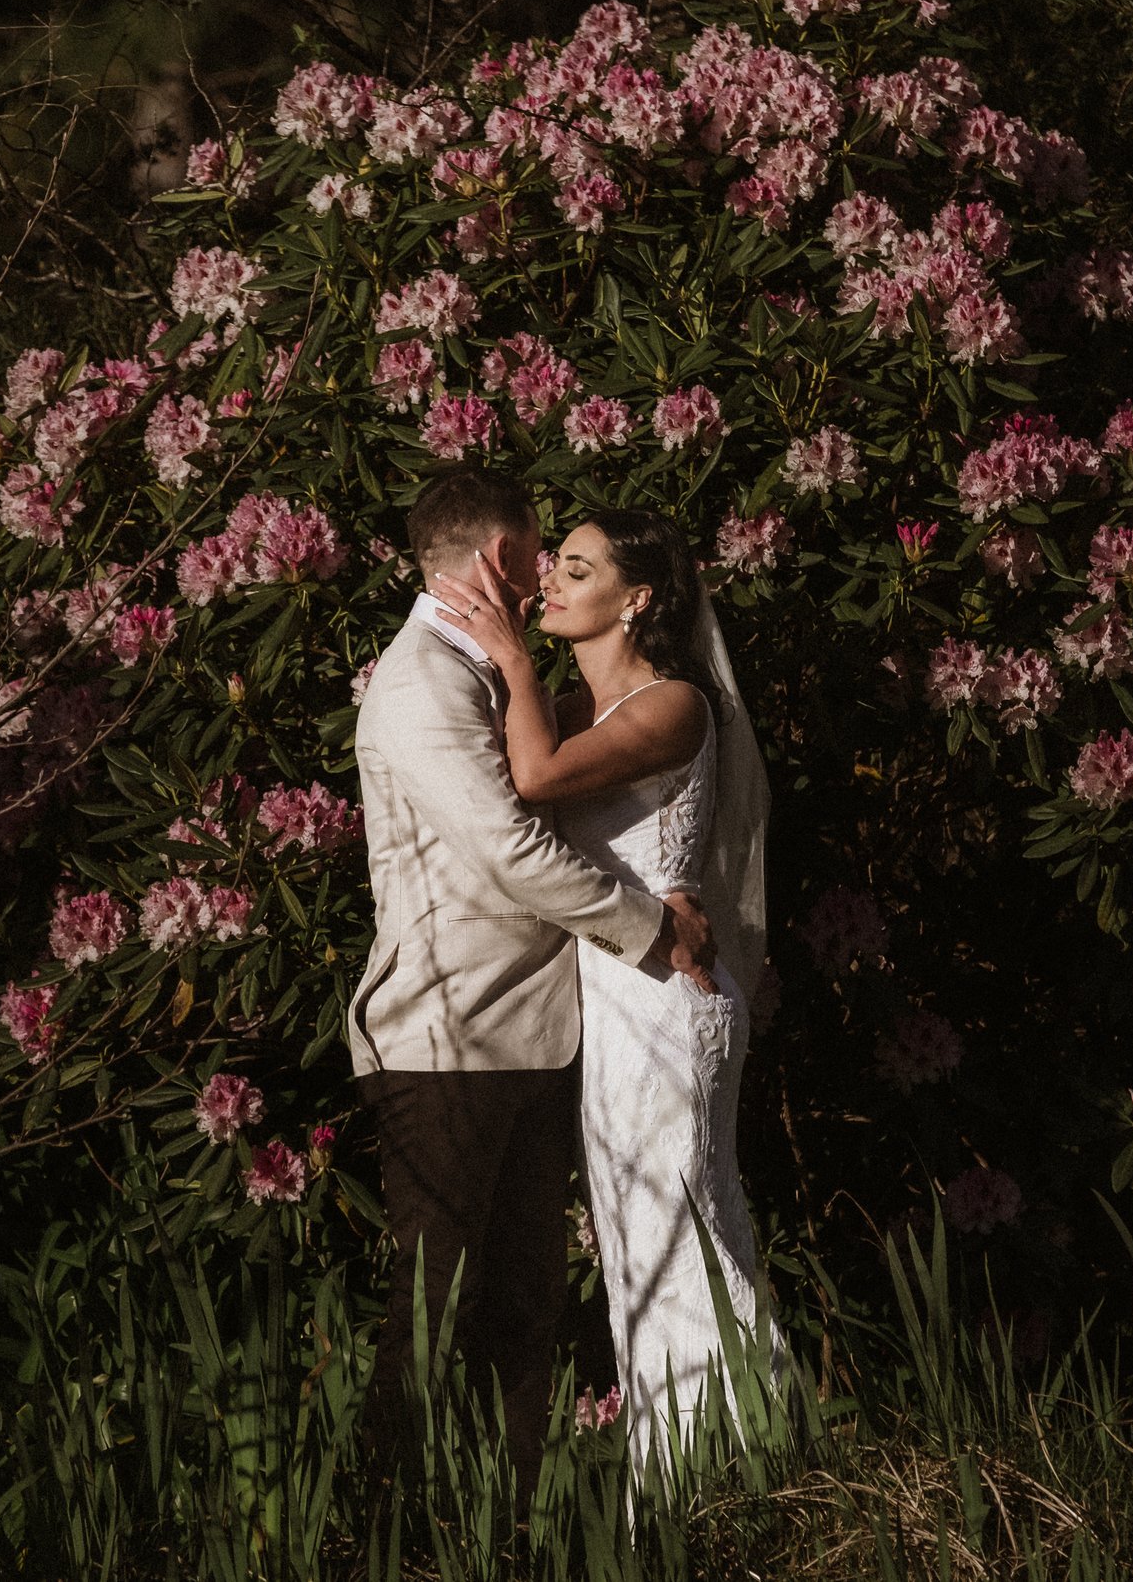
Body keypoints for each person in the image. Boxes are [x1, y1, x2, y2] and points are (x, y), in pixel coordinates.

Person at [347, 468, 716, 1502]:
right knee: (431, 1306)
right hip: (446, 1041)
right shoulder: (422, 679)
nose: (547, 568)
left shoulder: (504, 678)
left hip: (536, 1036)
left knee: (523, 1306)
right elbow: (513, 849)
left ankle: (507, 1521)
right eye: (542, 548)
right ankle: (383, 1532)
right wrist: (652, 926)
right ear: (502, 559)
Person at [433, 507, 784, 1475]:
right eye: (552, 567)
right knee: (635, 1245)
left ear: (635, 598)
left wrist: (507, 656)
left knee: (685, 1233)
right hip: (615, 1002)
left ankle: (750, 1466)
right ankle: (681, 1488)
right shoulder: (582, 708)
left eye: (575, 570)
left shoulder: (674, 704)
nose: (547, 584)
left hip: (669, 1001)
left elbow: (535, 779)